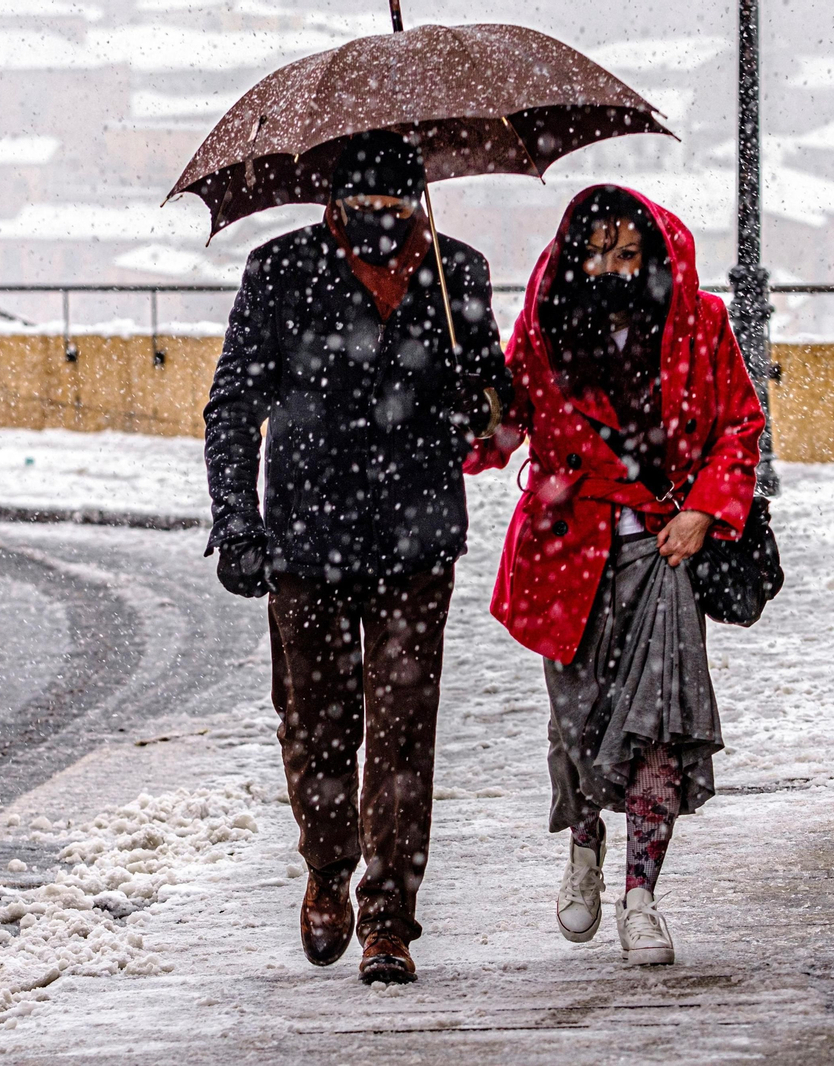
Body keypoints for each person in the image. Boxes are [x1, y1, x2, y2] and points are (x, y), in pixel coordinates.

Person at [204, 129, 511, 984]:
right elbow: (232, 405)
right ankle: (326, 870)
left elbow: (491, 401)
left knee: (406, 729)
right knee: (315, 725)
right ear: (333, 204)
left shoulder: (459, 274)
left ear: (417, 201)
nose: (381, 221)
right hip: (306, 538)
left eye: (396, 207)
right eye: (363, 207)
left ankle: (388, 917)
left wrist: (479, 401)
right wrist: (236, 521)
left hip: (417, 538)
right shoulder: (280, 270)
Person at [466, 185, 764, 965]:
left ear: (654, 257)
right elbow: (496, 437)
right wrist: (476, 405)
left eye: (627, 252)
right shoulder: (546, 327)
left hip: (662, 549)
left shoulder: (702, 323)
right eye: (597, 250)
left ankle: (641, 896)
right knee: (579, 727)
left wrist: (705, 508)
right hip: (565, 552)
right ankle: (586, 847)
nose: (611, 266)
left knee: (659, 725)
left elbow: (740, 427)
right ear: (575, 255)